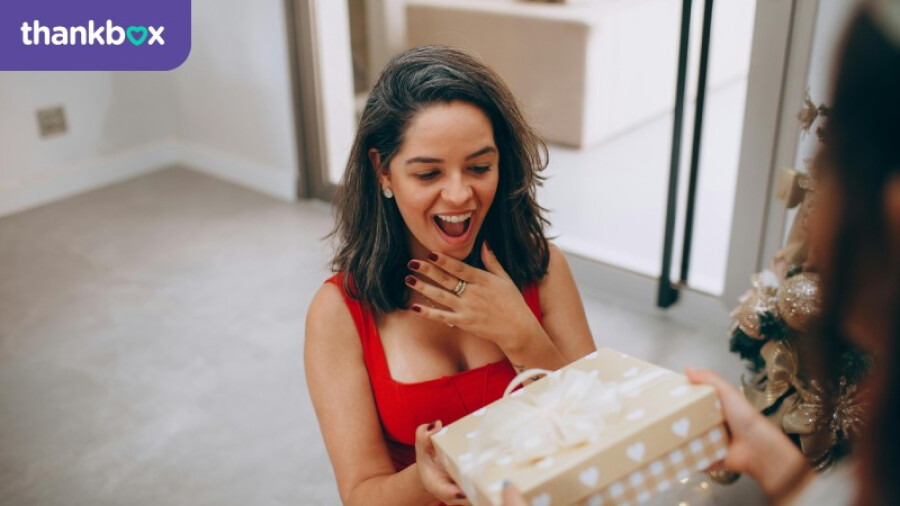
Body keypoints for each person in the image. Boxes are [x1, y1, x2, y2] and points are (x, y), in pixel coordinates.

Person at [503, 1, 900, 504]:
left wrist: (518, 336)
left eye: (828, 162)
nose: (810, 210)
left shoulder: (543, 266)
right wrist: (771, 456)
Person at [304, 45, 596, 505]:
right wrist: (428, 475)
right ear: (383, 172)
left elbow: (603, 433)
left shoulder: (543, 268)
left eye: (480, 167)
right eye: (427, 174)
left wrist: (522, 337)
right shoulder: (338, 313)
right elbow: (362, 494)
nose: (460, 195)